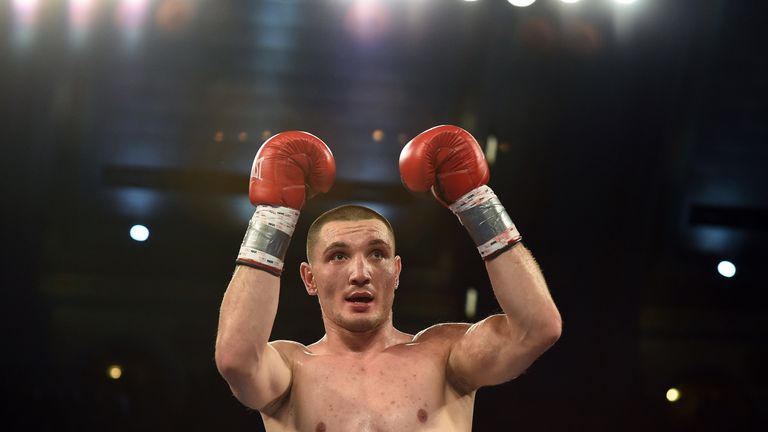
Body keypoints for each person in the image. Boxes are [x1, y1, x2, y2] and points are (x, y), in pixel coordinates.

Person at [215, 126, 562, 431]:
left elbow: (537, 328)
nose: (360, 273)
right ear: (310, 279)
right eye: (338, 256)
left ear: (396, 272)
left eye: (377, 254)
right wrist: (275, 216)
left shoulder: (445, 356)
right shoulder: (292, 369)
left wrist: (476, 202)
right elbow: (236, 359)